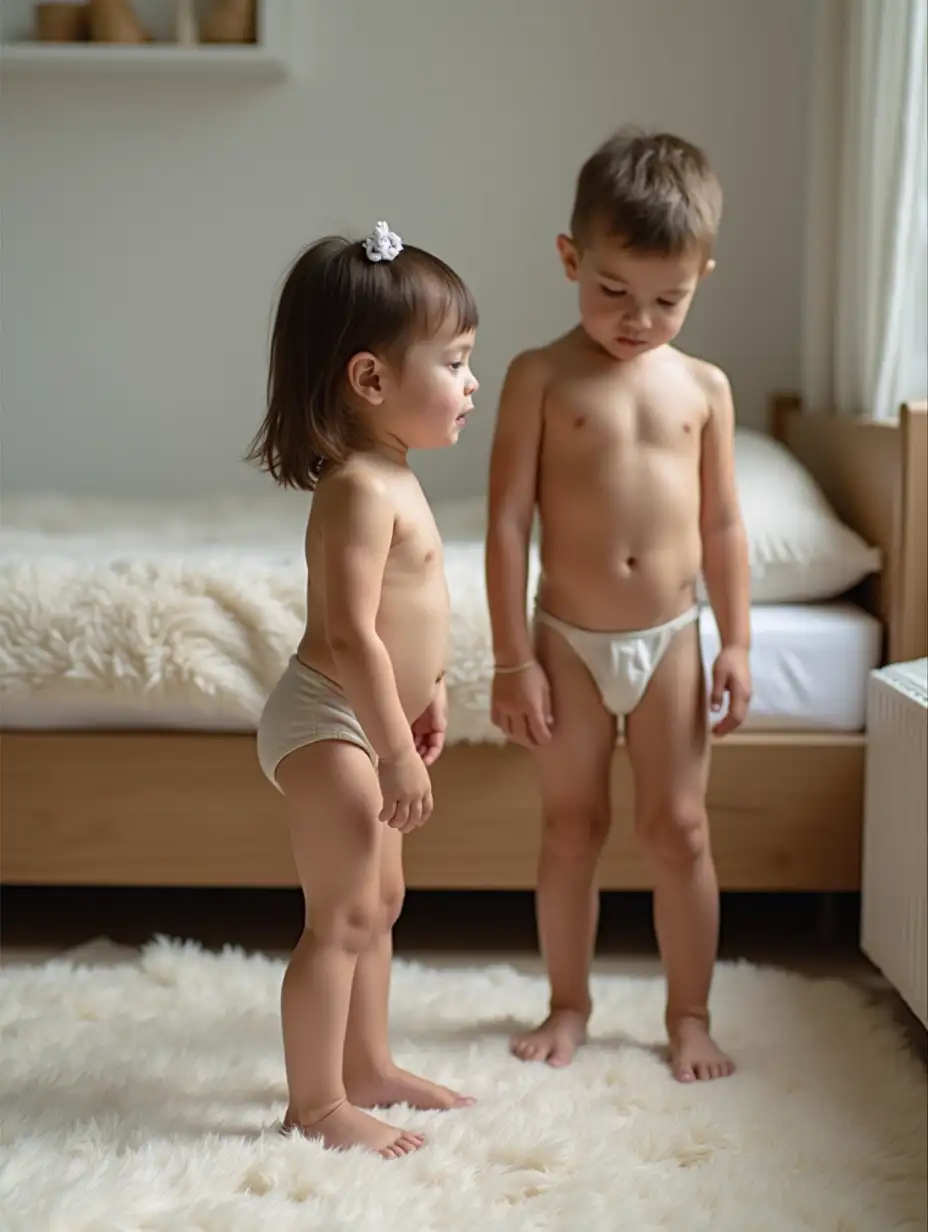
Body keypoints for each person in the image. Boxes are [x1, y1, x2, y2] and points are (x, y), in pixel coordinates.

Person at [485, 131, 751, 1082]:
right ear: (570, 259)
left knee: (679, 829)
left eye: (667, 300)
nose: (638, 320)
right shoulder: (540, 377)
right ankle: (568, 1005)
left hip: (674, 637)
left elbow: (722, 523)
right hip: (566, 642)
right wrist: (512, 658)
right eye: (612, 292)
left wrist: (738, 644)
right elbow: (509, 526)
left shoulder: (704, 389)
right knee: (571, 826)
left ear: (700, 277)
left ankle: (690, 1015)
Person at [248, 220, 479, 1157]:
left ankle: (370, 1063)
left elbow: (408, 614)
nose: (471, 383)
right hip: (327, 720)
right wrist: (386, 746)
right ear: (372, 380)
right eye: (456, 362)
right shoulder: (355, 488)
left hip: (376, 716)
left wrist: (431, 692)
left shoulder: (398, 471)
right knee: (341, 915)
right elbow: (349, 633)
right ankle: (315, 1105)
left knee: (380, 905)